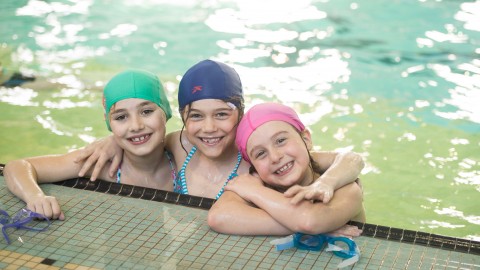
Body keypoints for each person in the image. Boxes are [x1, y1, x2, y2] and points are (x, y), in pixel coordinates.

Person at [75, 60, 364, 203]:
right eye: (196, 116)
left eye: (222, 115)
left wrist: (326, 184)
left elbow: (348, 160)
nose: (209, 128)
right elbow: (141, 138)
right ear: (183, 118)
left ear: (240, 113)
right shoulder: (180, 145)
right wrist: (113, 141)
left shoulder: (259, 154)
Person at [3, 69, 176, 220]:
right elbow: (17, 166)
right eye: (121, 117)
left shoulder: (183, 156)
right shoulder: (100, 163)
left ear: (166, 112)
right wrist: (35, 197)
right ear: (109, 123)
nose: (136, 126)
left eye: (146, 112)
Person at [207, 102, 366, 236]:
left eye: (281, 140)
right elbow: (219, 217)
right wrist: (306, 227)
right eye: (261, 153)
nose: (275, 157)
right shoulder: (253, 182)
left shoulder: (345, 187)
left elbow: (309, 221)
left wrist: (255, 192)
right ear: (253, 166)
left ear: (306, 139)